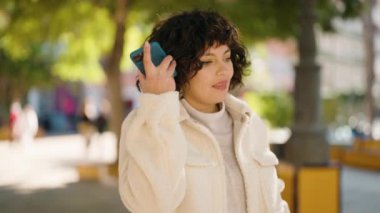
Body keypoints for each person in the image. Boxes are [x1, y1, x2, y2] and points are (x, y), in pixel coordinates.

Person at [118, 10, 289, 213]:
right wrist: (158, 105)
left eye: (226, 58)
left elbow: (274, 202)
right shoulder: (145, 124)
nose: (224, 70)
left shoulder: (249, 123)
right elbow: (150, 205)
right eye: (207, 61)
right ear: (175, 68)